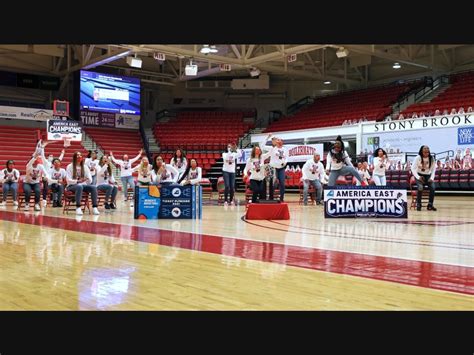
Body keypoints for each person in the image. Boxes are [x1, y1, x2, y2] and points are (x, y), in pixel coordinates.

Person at [66, 151, 100, 215]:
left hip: (83, 185)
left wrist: (86, 180)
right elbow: (68, 180)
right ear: (74, 158)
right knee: (79, 186)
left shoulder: (85, 167)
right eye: (77, 155)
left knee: (94, 187)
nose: (79, 156)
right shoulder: (70, 166)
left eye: (80, 155)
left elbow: (90, 179)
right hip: (72, 186)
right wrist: (78, 181)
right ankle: (78, 207)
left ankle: (95, 207)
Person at [260, 133, 288, 202]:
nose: (278, 141)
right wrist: (267, 137)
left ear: (282, 142)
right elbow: (262, 146)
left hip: (281, 168)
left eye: (280, 140)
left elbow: (286, 158)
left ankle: (281, 197)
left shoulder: (285, 149)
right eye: (277, 140)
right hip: (273, 168)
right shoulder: (272, 148)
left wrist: (284, 163)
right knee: (273, 183)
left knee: (282, 183)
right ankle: (271, 197)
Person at [411, 145, 437, 211]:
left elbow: (433, 169)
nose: (426, 149)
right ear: (422, 151)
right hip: (419, 175)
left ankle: (430, 204)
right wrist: (418, 177)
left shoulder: (431, 158)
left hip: (428, 175)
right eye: (425, 148)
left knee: (433, 187)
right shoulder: (418, 158)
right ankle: (419, 204)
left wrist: (432, 178)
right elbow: (413, 169)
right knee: (420, 187)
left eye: (428, 148)